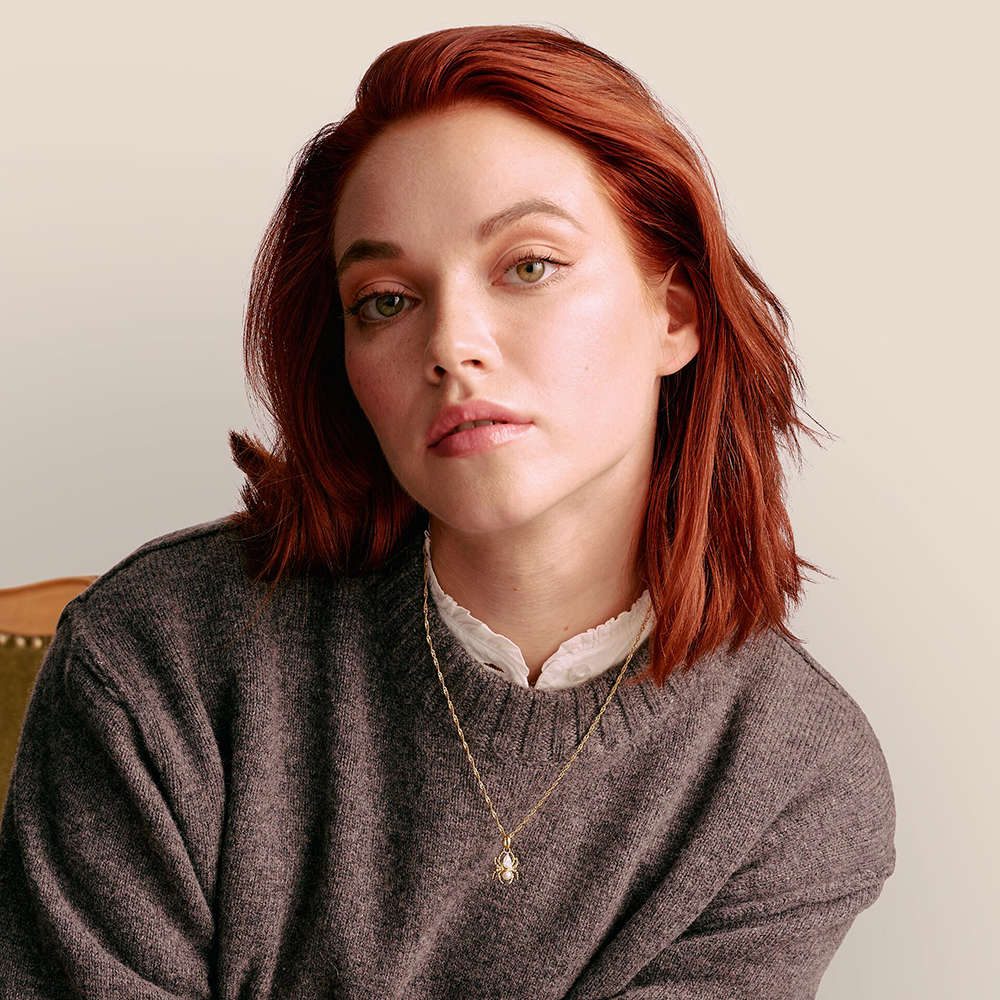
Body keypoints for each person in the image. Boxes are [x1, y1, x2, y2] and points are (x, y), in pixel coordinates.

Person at [0, 23, 895, 999]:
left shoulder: (796, 777)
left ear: (672, 313)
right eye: (385, 300)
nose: (452, 345)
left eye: (529, 265)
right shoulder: (157, 656)